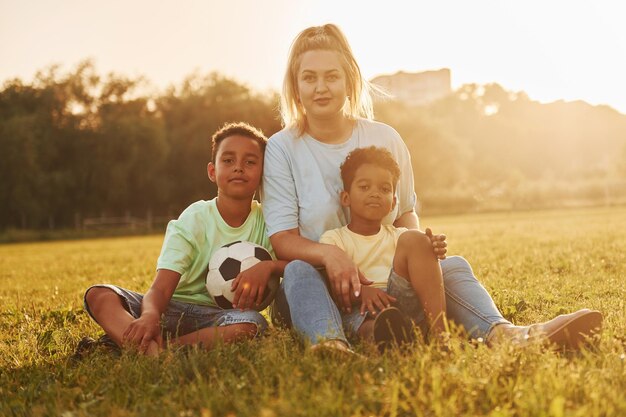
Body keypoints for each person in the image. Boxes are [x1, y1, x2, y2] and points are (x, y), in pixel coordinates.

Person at [261, 23, 602, 354]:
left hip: (387, 282)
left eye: (331, 76)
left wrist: (418, 250)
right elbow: (282, 239)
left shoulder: (385, 138)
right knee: (297, 270)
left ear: (349, 81)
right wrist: (332, 255)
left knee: (451, 267)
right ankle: (331, 342)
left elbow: (405, 212)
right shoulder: (282, 148)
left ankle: (506, 333)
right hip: (324, 286)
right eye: (309, 77)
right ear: (295, 85)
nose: (321, 87)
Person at [83, 122, 287, 356]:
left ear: (263, 173)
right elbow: (160, 289)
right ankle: (147, 345)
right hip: (169, 309)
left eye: (250, 162)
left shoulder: (270, 220)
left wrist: (269, 266)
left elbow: (297, 264)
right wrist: (150, 315)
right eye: (228, 160)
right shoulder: (194, 218)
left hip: (220, 319)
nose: (239, 168)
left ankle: (154, 352)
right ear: (212, 171)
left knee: (253, 324)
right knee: (99, 295)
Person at [319, 146, 446, 350]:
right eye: (364, 187)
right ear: (346, 198)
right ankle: (387, 340)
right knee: (361, 324)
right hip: (359, 309)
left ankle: (441, 337)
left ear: (393, 201)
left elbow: (421, 264)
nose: (375, 194)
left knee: (416, 239)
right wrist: (362, 292)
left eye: (384, 189)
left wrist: (429, 247)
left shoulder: (400, 237)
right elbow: (333, 286)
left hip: (401, 300)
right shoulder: (334, 239)